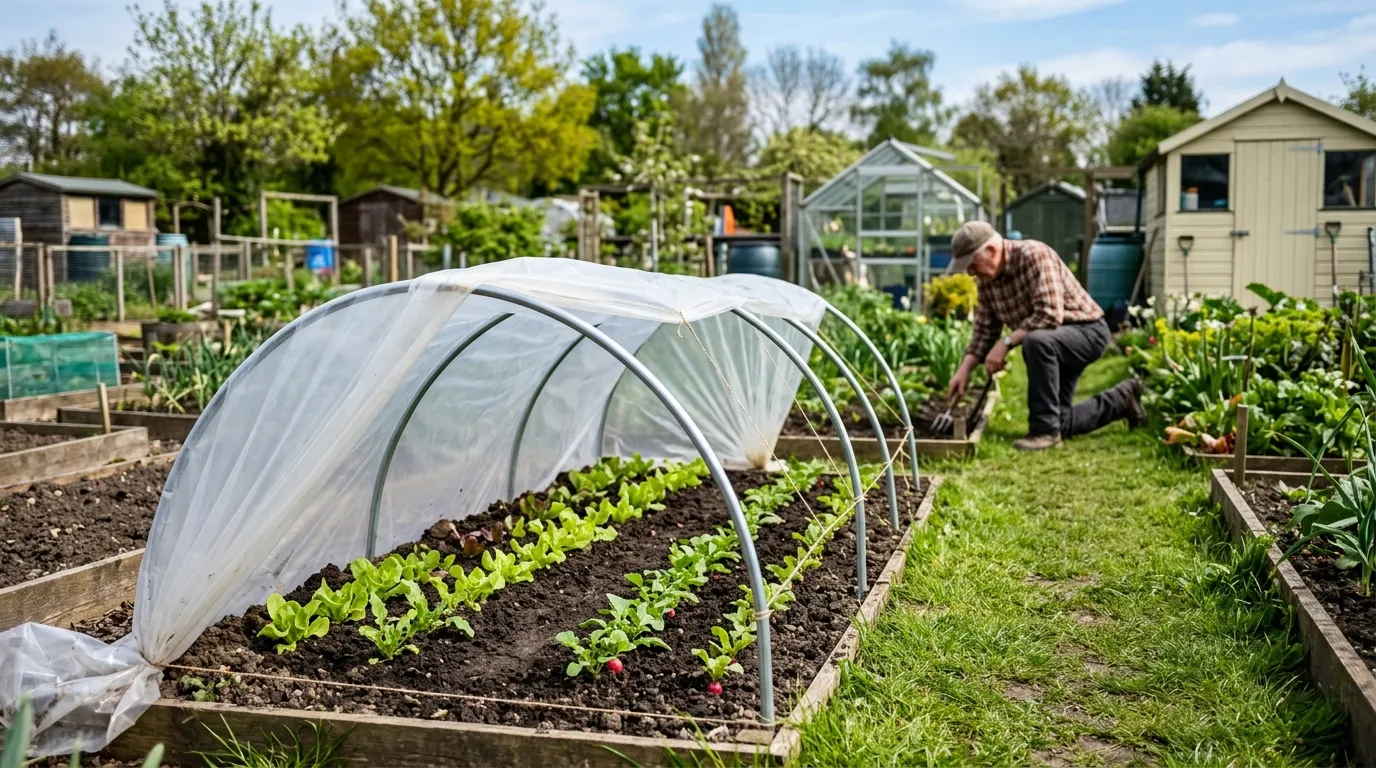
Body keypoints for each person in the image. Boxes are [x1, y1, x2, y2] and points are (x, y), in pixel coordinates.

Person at [944, 221, 1144, 451]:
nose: (970, 273)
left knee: (1036, 340)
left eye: (972, 265)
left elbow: (1049, 314)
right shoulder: (987, 282)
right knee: (1061, 420)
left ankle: (1044, 433)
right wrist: (963, 371)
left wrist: (1006, 343)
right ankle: (1123, 399)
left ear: (991, 250)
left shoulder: (1033, 255)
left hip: (1087, 332)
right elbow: (984, 330)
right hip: (1054, 344)